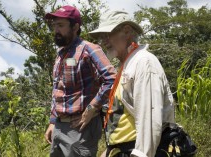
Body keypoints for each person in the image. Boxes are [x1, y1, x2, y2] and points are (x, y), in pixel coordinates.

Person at [89, 11, 175, 157]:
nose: (104, 41)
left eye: (107, 35)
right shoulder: (127, 64)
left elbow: (149, 120)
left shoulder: (144, 63)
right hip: (123, 150)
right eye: (101, 37)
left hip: (138, 150)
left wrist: (141, 154)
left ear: (127, 31)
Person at [44, 6, 116, 157]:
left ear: (75, 27)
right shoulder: (60, 54)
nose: (56, 30)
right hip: (58, 126)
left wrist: (92, 109)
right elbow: (57, 89)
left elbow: (112, 79)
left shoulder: (89, 49)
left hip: (79, 129)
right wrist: (52, 122)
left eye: (61, 25)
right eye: (54, 25)